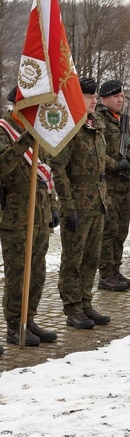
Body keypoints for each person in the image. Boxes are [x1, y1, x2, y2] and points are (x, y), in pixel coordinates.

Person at [48, 77, 112, 329]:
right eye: (89, 96)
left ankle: (86, 303)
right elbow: (58, 168)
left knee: (91, 257)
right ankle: (72, 308)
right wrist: (67, 206)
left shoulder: (93, 126)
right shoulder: (68, 128)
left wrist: (104, 200)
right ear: (76, 98)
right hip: (77, 204)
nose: (94, 100)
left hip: (97, 202)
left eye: (95, 96)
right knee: (73, 258)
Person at [0, 86, 59, 347]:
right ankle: (15, 326)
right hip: (15, 216)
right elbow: (2, 167)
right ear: (14, 105)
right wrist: (24, 139)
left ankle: (29, 318)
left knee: (37, 271)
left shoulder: (38, 132)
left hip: (40, 211)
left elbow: (46, 172)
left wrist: (54, 206)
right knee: (18, 273)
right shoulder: (3, 131)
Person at [95, 80, 130, 292]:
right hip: (109, 185)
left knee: (121, 230)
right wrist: (114, 164)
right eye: (115, 96)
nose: (120, 100)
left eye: (121, 96)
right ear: (103, 99)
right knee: (109, 231)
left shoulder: (122, 121)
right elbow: (98, 152)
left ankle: (116, 269)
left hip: (124, 185)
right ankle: (105, 274)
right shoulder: (99, 120)